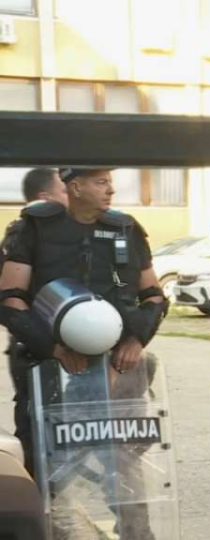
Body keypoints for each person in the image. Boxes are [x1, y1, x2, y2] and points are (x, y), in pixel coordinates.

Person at [0, 167, 168, 538]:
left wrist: (136, 340)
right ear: (74, 187)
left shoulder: (126, 230)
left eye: (110, 181)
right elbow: (11, 300)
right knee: (47, 465)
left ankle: (138, 534)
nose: (111, 190)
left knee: (124, 463)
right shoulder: (33, 229)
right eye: (100, 182)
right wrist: (54, 349)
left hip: (117, 369)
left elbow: (154, 297)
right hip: (47, 368)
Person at [3, 167, 70, 476]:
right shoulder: (23, 234)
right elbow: (11, 300)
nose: (71, 196)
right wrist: (49, 347)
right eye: (64, 191)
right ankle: (38, 496)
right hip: (34, 348)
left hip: (70, 346)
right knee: (37, 430)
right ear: (44, 198)